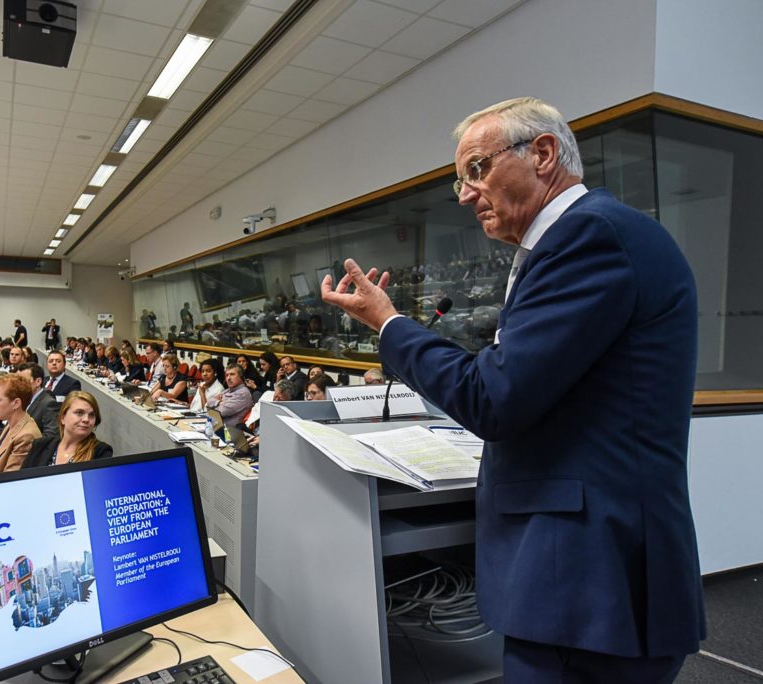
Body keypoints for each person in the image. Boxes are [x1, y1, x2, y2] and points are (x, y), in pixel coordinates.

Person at [321, 96, 704, 681]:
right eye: (460, 180)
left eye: (477, 169)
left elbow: (493, 398)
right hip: (581, 574)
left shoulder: (589, 237)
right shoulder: (575, 241)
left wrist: (389, 323)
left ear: (543, 154)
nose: (465, 194)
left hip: (588, 579)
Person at [26, 391, 113, 467]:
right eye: (79, 413)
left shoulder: (101, 452)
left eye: (91, 415)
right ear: (63, 417)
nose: (86, 419)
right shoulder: (40, 446)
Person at [17, 363, 59, 440]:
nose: (18, 385)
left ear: (38, 382)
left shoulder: (49, 404)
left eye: (23, 380)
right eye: (17, 381)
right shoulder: (21, 399)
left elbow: (51, 437)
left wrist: (26, 444)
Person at [206, 363, 253, 428]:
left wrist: (216, 402)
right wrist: (220, 402)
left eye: (232, 374)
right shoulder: (227, 390)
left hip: (229, 431)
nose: (228, 378)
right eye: (227, 375)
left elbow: (222, 411)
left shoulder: (243, 393)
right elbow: (208, 402)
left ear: (241, 376)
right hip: (215, 426)